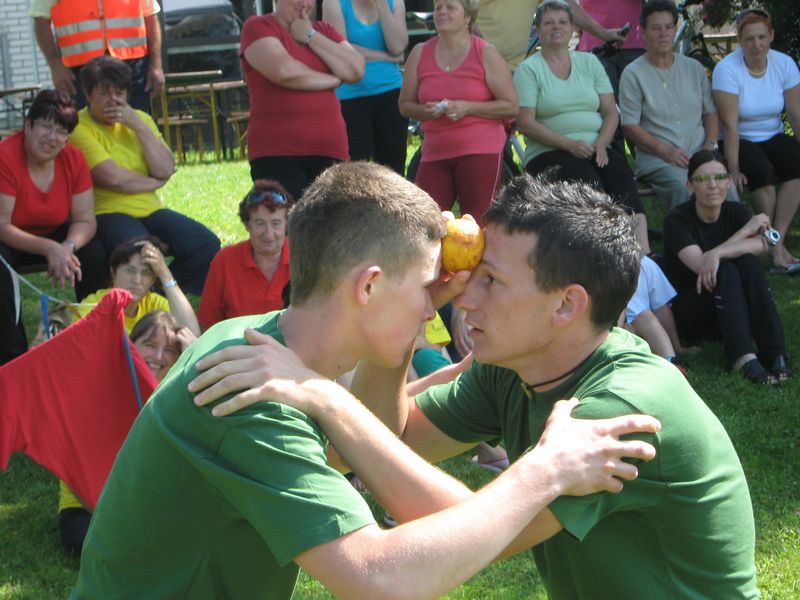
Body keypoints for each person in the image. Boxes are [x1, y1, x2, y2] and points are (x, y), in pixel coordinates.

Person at [70, 161, 660, 599]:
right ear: (369, 286)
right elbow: (382, 581)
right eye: (426, 288)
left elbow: (359, 441)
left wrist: (347, 379)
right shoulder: (253, 395)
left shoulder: (262, 343)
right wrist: (545, 470)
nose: (438, 307)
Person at [203, 172, 759, 598]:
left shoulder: (619, 411)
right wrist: (410, 317)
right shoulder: (513, 366)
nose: (464, 296)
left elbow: (475, 533)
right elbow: (392, 437)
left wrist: (323, 395)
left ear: (566, 305)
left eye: (490, 280)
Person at [69, 56, 220, 294]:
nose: (113, 100)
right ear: (87, 95)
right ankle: (146, 299)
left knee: (205, 243)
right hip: (107, 212)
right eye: (104, 94)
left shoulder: (141, 119)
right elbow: (113, 179)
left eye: (119, 93)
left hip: (150, 209)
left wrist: (138, 126)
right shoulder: (78, 127)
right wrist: (156, 182)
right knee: (140, 252)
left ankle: (161, 296)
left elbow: (165, 166)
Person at [515, 0, 651, 254]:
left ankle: (644, 257)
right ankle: (602, 255)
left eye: (562, 22)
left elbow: (611, 113)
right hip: (550, 152)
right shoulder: (528, 69)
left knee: (622, 180)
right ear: (538, 30)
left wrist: (602, 144)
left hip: (595, 147)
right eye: (549, 23)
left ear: (573, 29)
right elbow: (525, 123)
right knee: (589, 183)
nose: (556, 27)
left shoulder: (590, 63)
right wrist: (569, 144)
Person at [58, 310, 194, 555]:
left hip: (146, 502)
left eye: (169, 350)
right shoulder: (102, 387)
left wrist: (193, 355)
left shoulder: (176, 393)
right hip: (88, 504)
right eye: (149, 345)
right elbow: (76, 467)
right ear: (130, 344)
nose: (158, 356)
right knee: (96, 540)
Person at [663, 150, 789, 386]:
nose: (713, 185)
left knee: (747, 262)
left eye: (720, 177)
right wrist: (743, 233)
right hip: (692, 311)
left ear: (729, 181)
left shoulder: (735, 211)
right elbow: (702, 265)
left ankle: (774, 351)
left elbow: (763, 244)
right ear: (690, 185)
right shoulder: (677, 220)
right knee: (726, 270)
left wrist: (718, 252)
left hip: (734, 308)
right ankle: (741, 357)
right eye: (702, 179)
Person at [0, 89, 106, 365]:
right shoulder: (5, 157)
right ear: (28, 125)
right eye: (46, 126)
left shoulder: (74, 159)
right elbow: (1, 224)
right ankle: (13, 355)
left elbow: (86, 220)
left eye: (61, 131)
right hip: (9, 236)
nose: (52, 137)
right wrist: (50, 249)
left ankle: (96, 334)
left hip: (54, 232)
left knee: (94, 253)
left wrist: (66, 248)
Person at [399, 0, 518, 216]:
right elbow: (405, 106)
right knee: (426, 223)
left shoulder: (486, 53)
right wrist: (425, 111)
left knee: (478, 223)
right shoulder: (420, 52)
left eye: (450, 7)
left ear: (468, 17)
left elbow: (511, 106)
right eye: (438, 7)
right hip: (434, 152)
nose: (442, 12)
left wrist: (468, 108)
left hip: (480, 150)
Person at [240, 0, 365, 200]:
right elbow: (285, 72)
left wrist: (310, 36)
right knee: (288, 218)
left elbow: (356, 69)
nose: (304, 3)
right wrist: (333, 79)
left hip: (330, 150)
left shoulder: (324, 30)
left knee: (330, 218)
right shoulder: (258, 26)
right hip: (277, 152)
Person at [620, 0, 738, 211]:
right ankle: (689, 233)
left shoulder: (693, 68)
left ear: (675, 29)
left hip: (699, 152)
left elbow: (710, 112)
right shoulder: (633, 73)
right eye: (656, 28)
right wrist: (666, 151)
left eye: (668, 27)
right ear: (643, 32)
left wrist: (709, 147)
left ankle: (737, 233)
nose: (663, 34)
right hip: (659, 160)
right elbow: (630, 125)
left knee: (726, 188)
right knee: (684, 189)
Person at [712, 7, 800, 273]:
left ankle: (776, 240)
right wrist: (734, 168)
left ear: (771, 36)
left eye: (762, 37)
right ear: (740, 40)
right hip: (738, 138)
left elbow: (795, 115)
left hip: (772, 133)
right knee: (763, 174)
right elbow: (730, 125)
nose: (757, 44)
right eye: (749, 39)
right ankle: (772, 245)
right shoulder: (727, 69)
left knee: (797, 165)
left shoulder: (784, 64)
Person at [30, 0, 164, 112]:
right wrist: (56, 66)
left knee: (138, 125)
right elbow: (40, 19)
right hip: (80, 71)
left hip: (133, 65)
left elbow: (150, 17)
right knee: (85, 128)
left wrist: (156, 65)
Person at [322, 0, 409, 175]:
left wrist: (382, 5)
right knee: (352, 171)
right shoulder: (333, 3)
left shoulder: (394, 3)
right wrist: (387, 57)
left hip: (391, 93)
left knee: (394, 170)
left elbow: (398, 46)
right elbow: (341, 50)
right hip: (349, 97)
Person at [198, 181, 293, 330]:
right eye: (260, 223)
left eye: (276, 223)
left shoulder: (304, 256)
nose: (269, 234)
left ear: (286, 224)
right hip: (240, 343)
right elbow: (207, 324)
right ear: (247, 225)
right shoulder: (225, 261)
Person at [76, 236, 201, 336]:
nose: (137, 280)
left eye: (146, 273)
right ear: (113, 272)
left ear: (152, 280)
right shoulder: (91, 309)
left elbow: (192, 335)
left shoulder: (154, 305)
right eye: (130, 270)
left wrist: (165, 273)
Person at [621, 254, 696, 375]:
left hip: (644, 331)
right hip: (612, 327)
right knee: (628, 325)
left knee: (645, 317)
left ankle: (670, 360)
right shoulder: (596, 267)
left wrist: (677, 346)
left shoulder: (644, 264)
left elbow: (661, 308)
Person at [567, 0, 645, 95]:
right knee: (603, 101)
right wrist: (601, 33)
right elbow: (565, 5)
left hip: (636, 46)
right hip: (595, 48)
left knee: (638, 100)